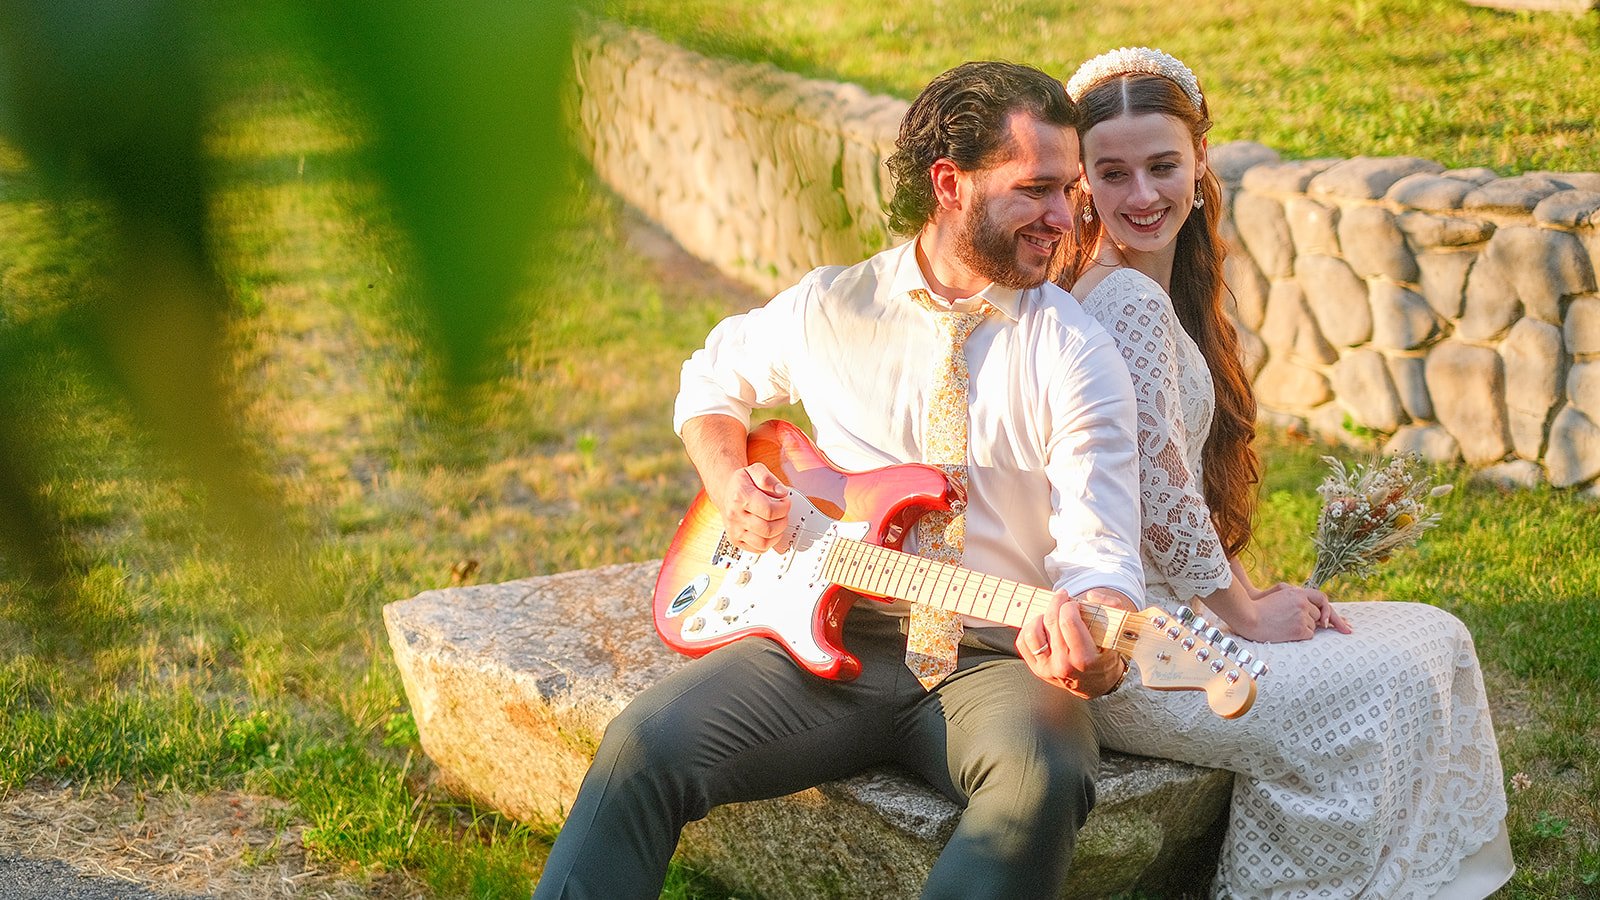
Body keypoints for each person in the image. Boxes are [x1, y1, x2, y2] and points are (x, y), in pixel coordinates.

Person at [533, 61, 1148, 900]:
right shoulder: (834, 306)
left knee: (1042, 779)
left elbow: (1100, 552)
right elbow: (712, 381)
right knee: (642, 743)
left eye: (1070, 188)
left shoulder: (1077, 353)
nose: (1064, 216)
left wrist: (1098, 658)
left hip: (994, 660)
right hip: (822, 642)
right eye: (1036, 189)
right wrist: (728, 483)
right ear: (949, 184)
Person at [1057, 47, 1513, 899]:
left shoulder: (1150, 289)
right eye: (1111, 174)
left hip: (1178, 621)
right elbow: (1158, 502)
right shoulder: (1122, 299)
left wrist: (1245, 590)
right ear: (1080, 182)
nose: (1143, 196)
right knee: (1411, 664)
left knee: (1431, 635)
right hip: (1153, 657)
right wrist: (1243, 611)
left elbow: (1170, 485)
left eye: (1162, 166)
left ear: (1201, 161)